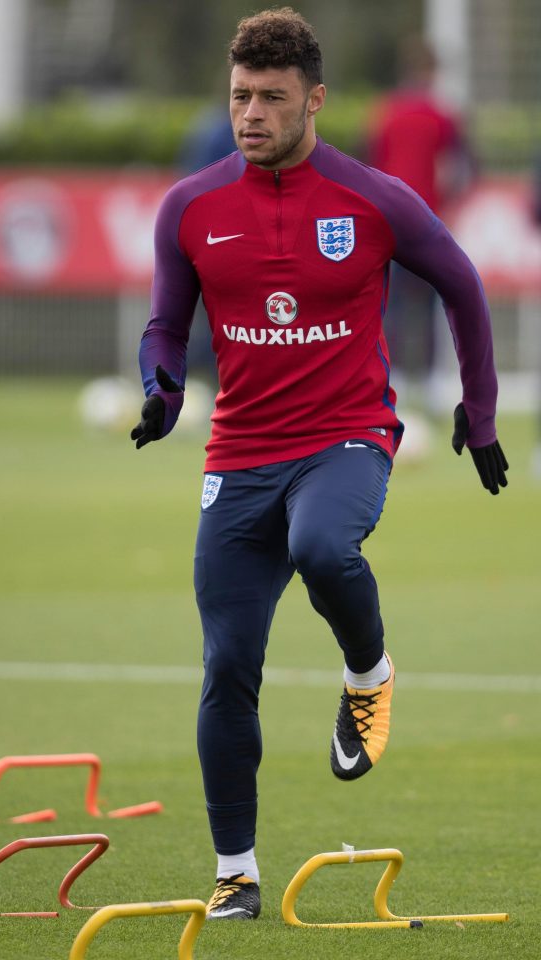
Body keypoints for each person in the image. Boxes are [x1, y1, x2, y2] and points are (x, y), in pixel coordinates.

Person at [130, 7, 508, 921]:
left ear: (315, 100)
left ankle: (369, 674)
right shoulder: (191, 206)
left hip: (347, 433)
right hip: (240, 452)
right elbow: (163, 326)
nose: (251, 114)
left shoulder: (373, 199)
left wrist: (480, 412)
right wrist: (164, 388)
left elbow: (461, 282)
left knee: (323, 548)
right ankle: (236, 873)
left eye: (271, 98)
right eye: (239, 97)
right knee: (227, 666)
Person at [366, 37, 474, 387]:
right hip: (427, 219)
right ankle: (428, 382)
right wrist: (452, 204)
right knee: (428, 304)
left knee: (390, 302)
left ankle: (390, 376)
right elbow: (463, 166)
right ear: (433, 72)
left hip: (388, 222)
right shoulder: (443, 115)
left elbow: (368, 164)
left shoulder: (386, 111)